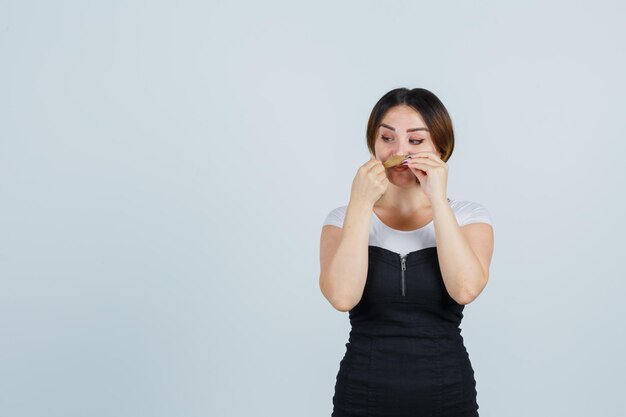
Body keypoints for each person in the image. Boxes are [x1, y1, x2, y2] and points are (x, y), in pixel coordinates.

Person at [319, 87, 495, 417]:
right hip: (362, 396)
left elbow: (465, 289)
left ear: (440, 148)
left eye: (416, 141)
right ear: (373, 144)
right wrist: (360, 202)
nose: (399, 151)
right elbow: (342, 297)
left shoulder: (470, 217)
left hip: (447, 395)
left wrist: (437, 198)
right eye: (387, 138)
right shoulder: (342, 219)